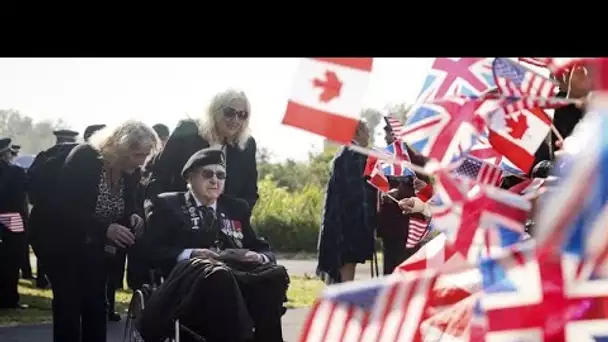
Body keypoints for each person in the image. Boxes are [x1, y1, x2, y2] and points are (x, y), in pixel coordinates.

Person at [28, 121, 158, 342]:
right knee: (69, 304)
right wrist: (105, 228)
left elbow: (130, 201)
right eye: (137, 154)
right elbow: (64, 207)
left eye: (146, 155)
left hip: (94, 246)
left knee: (97, 304)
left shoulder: (130, 171)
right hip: (59, 241)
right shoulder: (86, 158)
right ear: (119, 148)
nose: (142, 162)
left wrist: (134, 215)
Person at [141, 148, 288, 342]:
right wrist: (192, 253)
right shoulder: (167, 205)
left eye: (220, 175)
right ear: (190, 178)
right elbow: (152, 252)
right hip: (187, 284)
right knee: (219, 275)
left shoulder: (235, 208)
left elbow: (259, 246)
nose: (214, 180)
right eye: (207, 174)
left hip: (236, 276)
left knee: (274, 275)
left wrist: (258, 257)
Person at [147, 89, 259, 210]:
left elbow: (250, 193)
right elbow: (159, 176)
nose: (236, 120)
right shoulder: (188, 131)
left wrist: (235, 216)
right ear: (215, 111)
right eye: (229, 112)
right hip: (179, 215)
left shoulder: (247, 145)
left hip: (226, 221)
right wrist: (157, 210)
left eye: (242, 115)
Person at [316, 120, 378, 284]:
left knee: (350, 262)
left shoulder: (353, 154)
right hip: (348, 222)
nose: (369, 134)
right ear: (357, 132)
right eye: (366, 130)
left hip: (349, 221)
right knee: (347, 263)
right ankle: (344, 301)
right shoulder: (350, 156)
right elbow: (354, 193)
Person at [376, 118, 431, 274]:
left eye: (390, 135)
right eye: (386, 135)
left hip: (409, 226)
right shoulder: (383, 161)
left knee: (409, 272)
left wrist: (400, 192)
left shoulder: (417, 162)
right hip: (390, 227)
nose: (386, 139)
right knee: (390, 273)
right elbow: (378, 185)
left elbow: (426, 192)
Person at [28, 129, 79, 289]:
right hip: (69, 220)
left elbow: (31, 190)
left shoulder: (44, 157)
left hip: (42, 219)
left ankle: (43, 280)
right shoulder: (79, 160)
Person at [0, 138, 29, 309]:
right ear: (6, 154)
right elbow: (22, 199)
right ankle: (10, 298)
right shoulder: (16, 172)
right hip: (12, 219)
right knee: (12, 260)